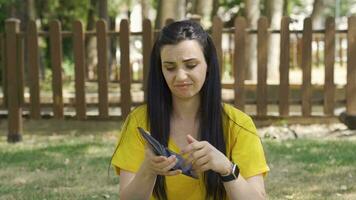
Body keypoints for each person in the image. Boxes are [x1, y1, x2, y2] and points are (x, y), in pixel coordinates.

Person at [111, 20, 269, 200]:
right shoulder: (139, 121)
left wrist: (226, 168)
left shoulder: (238, 124)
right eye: (170, 67)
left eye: (191, 65)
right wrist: (148, 170)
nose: (180, 76)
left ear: (208, 65)